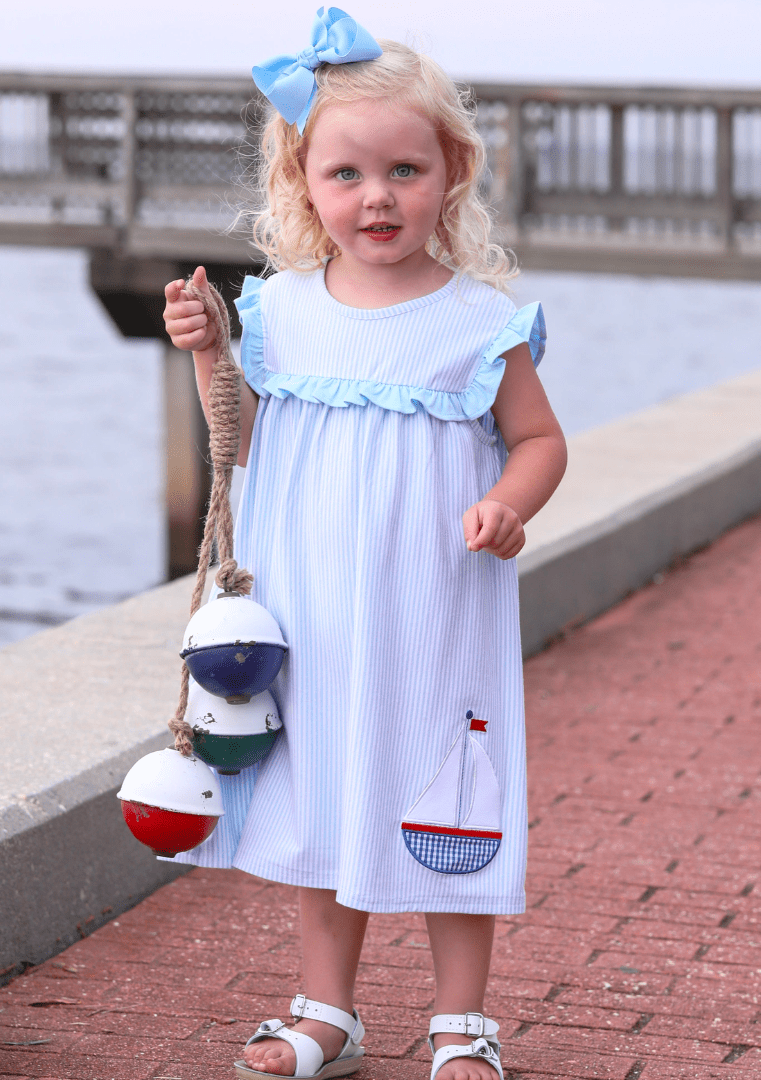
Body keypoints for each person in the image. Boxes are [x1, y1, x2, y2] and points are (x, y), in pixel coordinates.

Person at [162, 9, 567, 1080]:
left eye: (403, 169)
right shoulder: (281, 311)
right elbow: (241, 437)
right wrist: (212, 357)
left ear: (452, 173)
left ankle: (460, 1021)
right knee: (320, 795)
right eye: (345, 174)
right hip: (314, 613)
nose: (376, 196)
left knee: (451, 804)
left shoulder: (480, 321)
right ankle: (327, 1012)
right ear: (304, 183)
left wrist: (510, 504)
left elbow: (537, 438)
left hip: (439, 613)